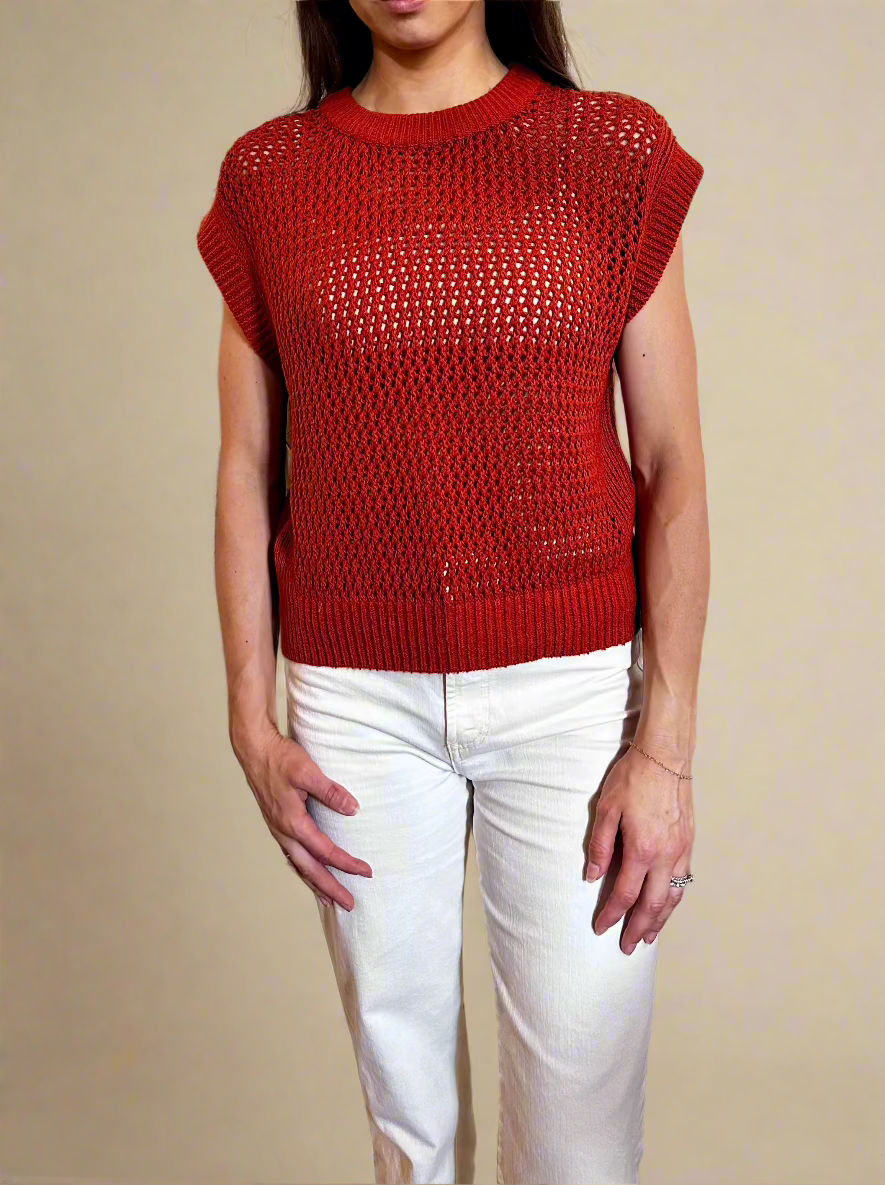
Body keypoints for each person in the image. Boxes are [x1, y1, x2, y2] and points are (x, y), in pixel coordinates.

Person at [195, 1, 709, 1181]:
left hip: (574, 698)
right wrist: (248, 720)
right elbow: (244, 466)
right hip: (354, 708)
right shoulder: (270, 177)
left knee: (578, 1148)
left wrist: (667, 747)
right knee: (409, 1134)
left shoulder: (611, 152)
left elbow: (672, 462)